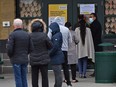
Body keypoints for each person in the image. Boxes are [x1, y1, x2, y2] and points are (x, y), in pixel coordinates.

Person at [7, 18, 33, 87]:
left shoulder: (12, 35)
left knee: (18, 77)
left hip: (15, 59)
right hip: (24, 58)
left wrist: (10, 56)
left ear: (14, 25)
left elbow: (9, 48)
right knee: (24, 77)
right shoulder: (27, 34)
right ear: (22, 25)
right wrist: (25, 53)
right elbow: (31, 48)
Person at [48, 16, 72, 87]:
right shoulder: (66, 29)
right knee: (65, 67)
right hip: (64, 50)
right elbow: (70, 41)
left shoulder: (52, 29)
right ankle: (68, 83)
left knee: (57, 69)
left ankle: (57, 83)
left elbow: (48, 38)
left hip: (56, 51)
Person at [28, 19, 52, 87]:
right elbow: (50, 45)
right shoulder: (44, 35)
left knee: (34, 77)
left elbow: (27, 47)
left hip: (33, 59)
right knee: (44, 76)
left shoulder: (30, 36)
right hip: (43, 59)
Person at [49, 22, 64, 87]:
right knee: (58, 74)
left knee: (58, 74)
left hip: (56, 57)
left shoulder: (56, 36)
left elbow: (55, 47)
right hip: (57, 57)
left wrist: (48, 53)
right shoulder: (57, 34)